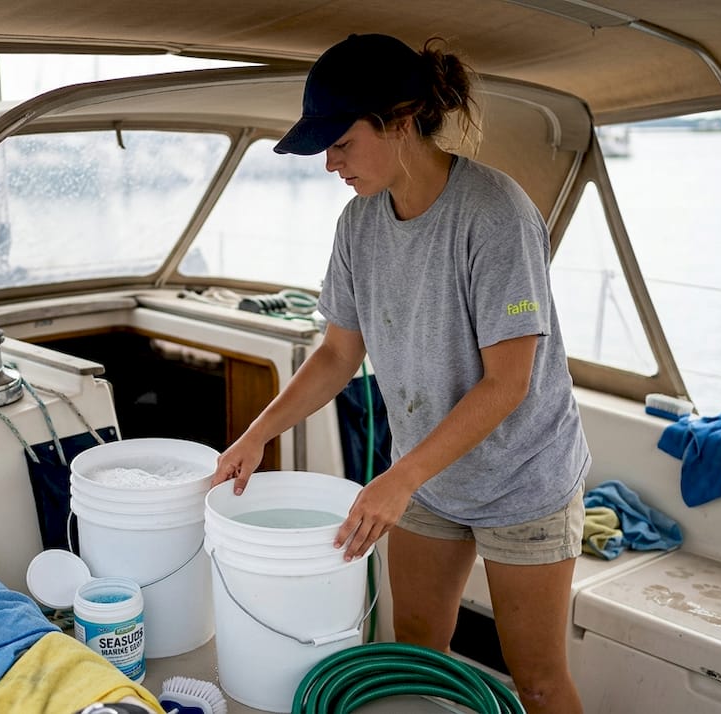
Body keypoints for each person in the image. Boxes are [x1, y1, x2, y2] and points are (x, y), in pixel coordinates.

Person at [210, 33, 590, 714]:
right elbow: (337, 355)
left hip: (523, 479)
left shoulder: (495, 216)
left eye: (342, 143)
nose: (330, 163)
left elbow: (509, 384)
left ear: (401, 122)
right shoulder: (357, 225)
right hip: (426, 477)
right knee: (414, 654)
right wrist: (257, 434)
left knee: (534, 681)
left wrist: (398, 478)